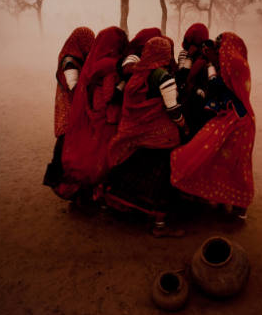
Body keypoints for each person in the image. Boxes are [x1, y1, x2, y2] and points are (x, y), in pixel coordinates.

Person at [106, 36, 188, 236]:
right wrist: (184, 126)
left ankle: (129, 210)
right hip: (161, 139)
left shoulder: (135, 75)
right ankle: (160, 225)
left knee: (136, 174)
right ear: (165, 54)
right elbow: (173, 110)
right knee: (162, 181)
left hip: (136, 135)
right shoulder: (164, 77)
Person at [170, 32, 256, 220]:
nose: (216, 50)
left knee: (217, 156)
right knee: (231, 162)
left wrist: (210, 65)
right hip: (237, 116)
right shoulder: (237, 60)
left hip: (235, 118)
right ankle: (233, 205)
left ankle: (235, 204)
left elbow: (216, 86)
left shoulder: (230, 61)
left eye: (218, 46)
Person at [54, 26, 128, 202]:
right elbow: (75, 89)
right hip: (74, 109)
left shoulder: (89, 62)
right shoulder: (71, 62)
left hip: (82, 109)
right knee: (75, 149)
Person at [43, 26, 95, 190]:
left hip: (73, 106)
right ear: (81, 42)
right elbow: (74, 88)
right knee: (65, 142)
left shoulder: (75, 58)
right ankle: (58, 180)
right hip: (70, 107)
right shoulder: (70, 62)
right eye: (88, 42)